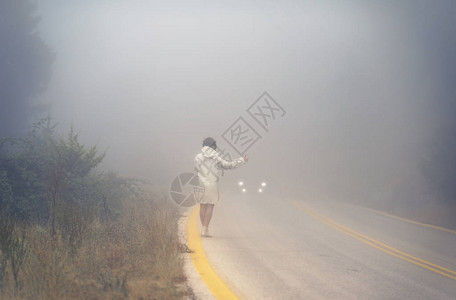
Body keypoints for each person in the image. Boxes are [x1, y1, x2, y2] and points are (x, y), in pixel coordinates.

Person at [194, 137, 248, 237]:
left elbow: (196, 168)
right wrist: (242, 160)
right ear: (213, 146)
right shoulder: (216, 157)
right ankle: (205, 229)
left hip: (201, 183)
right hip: (212, 184)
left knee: (202, 205)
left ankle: (203, 229)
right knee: (210, 206)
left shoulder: (198, 157)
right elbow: (228, 165)